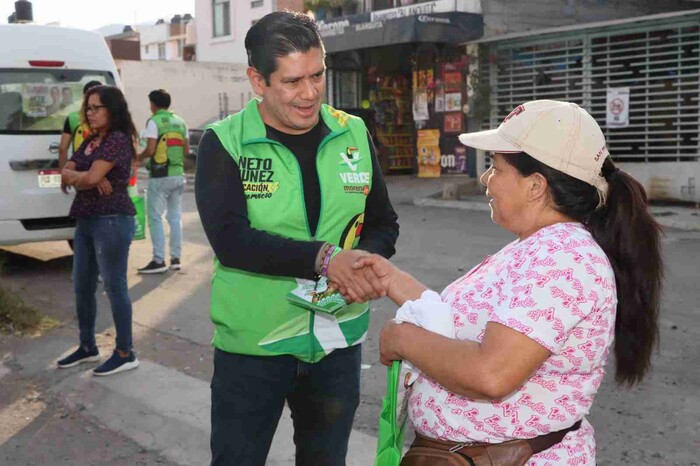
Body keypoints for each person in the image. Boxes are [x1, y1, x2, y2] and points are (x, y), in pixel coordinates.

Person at [355, 100, 663, 465]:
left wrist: (403, 338)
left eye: (496, 167)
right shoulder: (539, 246)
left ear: (535, 185)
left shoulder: (564, 259)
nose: (486, 179)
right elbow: (455, 323)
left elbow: (492, 373)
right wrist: (390, 279)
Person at [194, 11, 399, 466]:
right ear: (257, 80)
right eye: (291, 81)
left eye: (317, 75)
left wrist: (364, 263)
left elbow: (383, 222)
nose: (309, 94)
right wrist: (326, 259)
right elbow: (231, 239)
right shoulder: (225, 143)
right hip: (253, 348)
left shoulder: (354, 132)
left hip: (336, 342)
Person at [57, 85, 140, 376]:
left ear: (112, 109)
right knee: (82, 285)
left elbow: (87, 175)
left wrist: (90, 177)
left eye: (96, 108)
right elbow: (66, 172)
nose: (89, 113)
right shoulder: (93, 140)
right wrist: (87, 178)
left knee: (114, 286)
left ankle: (126, 351)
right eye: (88, 108)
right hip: (86, 219)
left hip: (112, 219)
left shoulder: (118, 139)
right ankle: (87, 346)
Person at [137, 89, 188, 274]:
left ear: (153, 104)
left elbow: (150, 150)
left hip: (160, 175)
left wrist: (138, 157)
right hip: (178, 174)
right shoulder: (181, 122)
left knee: (156, 218)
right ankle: (176, 258)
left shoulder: (154, 121)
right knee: (175, 217)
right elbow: (186, 150)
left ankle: (158, 260)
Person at [59, 80, 102, 170]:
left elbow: (63, 149)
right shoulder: (109, 118)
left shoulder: (72, 118)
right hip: (102, 170)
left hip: (79, 171)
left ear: (84, 96)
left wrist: (64, 176)